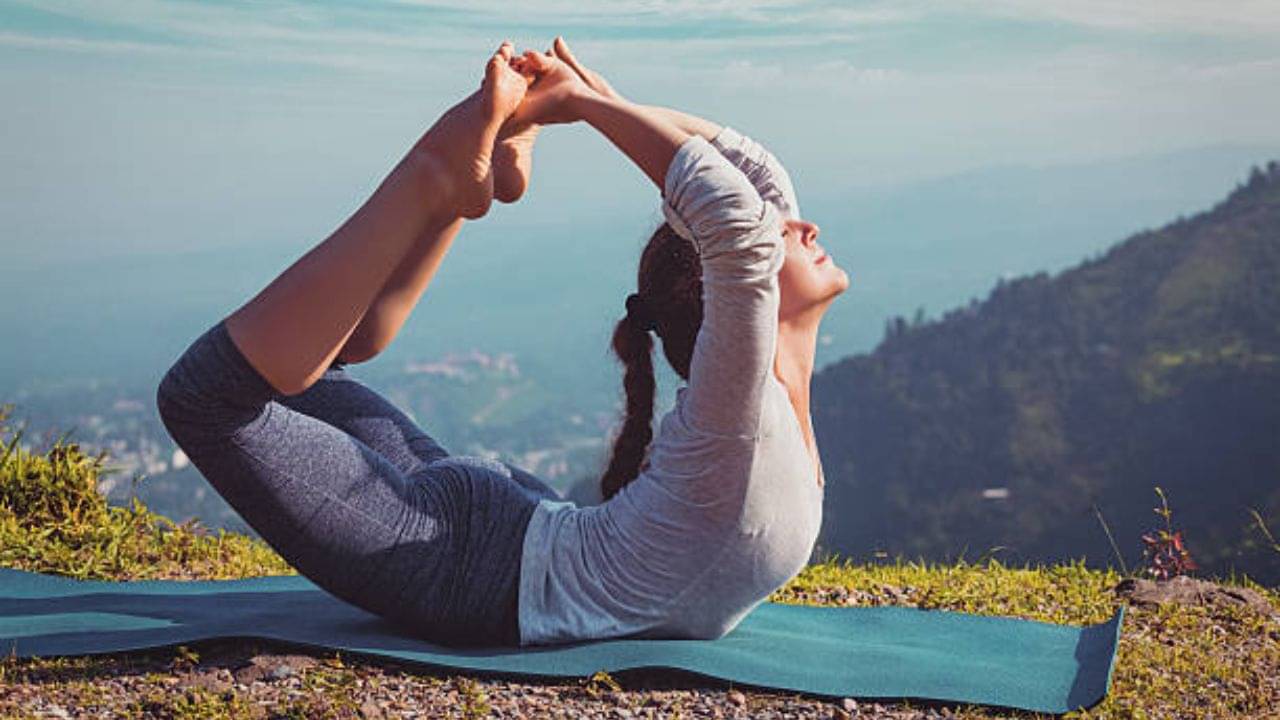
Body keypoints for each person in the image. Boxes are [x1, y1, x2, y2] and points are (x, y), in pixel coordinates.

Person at [155, 38, 849, 649]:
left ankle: (450, 194)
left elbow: (745, 203)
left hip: (490, 542)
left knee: (266, 381)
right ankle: (436, 181)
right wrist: (590, 102)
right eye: (784, 229)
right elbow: (745, 200)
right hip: (475, 557)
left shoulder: (744, 406)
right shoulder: (744, 410)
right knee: (213, 396)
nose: (803, 224)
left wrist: (586, 104)